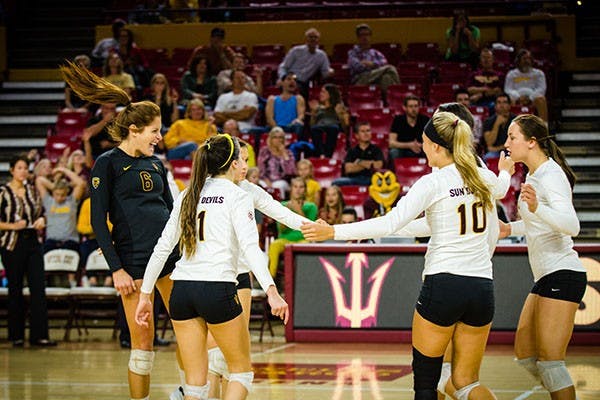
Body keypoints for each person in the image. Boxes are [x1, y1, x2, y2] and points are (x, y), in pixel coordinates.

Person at [302, 111, 514, 400]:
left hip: (444, 284)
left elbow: (391, 222)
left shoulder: (433, 182)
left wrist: (333, 232)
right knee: (465, 383)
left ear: (437, 146)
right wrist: (505, 171)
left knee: (427, 383)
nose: (422, 147)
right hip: (482, 289)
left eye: (424, 142)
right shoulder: (482, 175)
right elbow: (501, 189)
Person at [60, 60, 184, 400]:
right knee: (142, 344)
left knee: (189, 332)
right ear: (135, 130)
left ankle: (193, 393)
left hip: (170, 260)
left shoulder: (156, 164)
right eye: (155, 130)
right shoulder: (107, 163)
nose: (160, 137)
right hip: (132, 263)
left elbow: (172, 213)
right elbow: (99, 220)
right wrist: (116, 268)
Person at [134, 134, 289, 400]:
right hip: (217, 288)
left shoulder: (187, 194)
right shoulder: (237, 196)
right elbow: (251, 249)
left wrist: (145, 295)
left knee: (195, 384)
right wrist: (272, 290)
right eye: (241, 157)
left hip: (181, 291)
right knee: (241, 373)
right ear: (232, 163)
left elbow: (162, 249)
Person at [500, 114, 586, 400]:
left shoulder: (552, 175)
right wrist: (508, 228)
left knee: (551, 363)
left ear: (532, 142)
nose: (507, 143)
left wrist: (537, 208)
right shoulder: (534, 176)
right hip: (546, 275)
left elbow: (571, 225)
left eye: (512, 137)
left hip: (562, 271)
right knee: (525, 355)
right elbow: (537, 222)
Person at [0, 155, 56, 347]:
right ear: (12, 170)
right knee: (15, 288)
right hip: (12, 244)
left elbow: (41, 214)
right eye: (20, 168)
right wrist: (12, 226)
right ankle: (16, 335)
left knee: (38, 288)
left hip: (33, 242)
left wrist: (42, 220)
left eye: (26, 168)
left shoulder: (32, 191)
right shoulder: (3, 193)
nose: (23, 171)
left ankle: (39, 335)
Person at [37, 167, 87, 287]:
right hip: (52, 241)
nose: (60, 197)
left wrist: (63, 170)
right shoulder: (48, 201)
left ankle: (73, 284)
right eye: (57, 194)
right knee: (39, 258)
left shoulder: (71, 201)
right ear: (53, 193)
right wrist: (56, 185)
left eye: (62, 195)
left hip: (70, 241)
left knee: (74, 257)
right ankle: (43, 285)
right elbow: (39, 180)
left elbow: (80, 183)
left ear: (67, 193)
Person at [268, 176, 318, 277]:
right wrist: (286, 212)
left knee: (306, 245)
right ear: (291, 189)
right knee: (274, 245)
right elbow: (281, 230)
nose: (298, 190)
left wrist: (298, 210)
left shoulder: (311, 206)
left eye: (301, 187)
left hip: (302, 239)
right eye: (295, 187)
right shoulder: (282, 205)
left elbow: (310, 227)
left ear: (305, 190)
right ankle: (269, 281)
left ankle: (303, 278)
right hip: (285, 239)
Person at [347, 23, 400, 102]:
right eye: (362, 35)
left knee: (386, 78)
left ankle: (389, 104)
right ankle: (399, 95)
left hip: (376, 79)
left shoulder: (375, 53)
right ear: (358, 37)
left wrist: (372, 64)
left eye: (367, 34)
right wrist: (377, 66)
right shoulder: (353, 53)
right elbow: (357, 67)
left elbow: (384, 62)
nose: (365, 37)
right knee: (390, 68)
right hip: (361, 80)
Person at [278, 27, 333, 100]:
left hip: (304, 82)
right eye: (310, 37)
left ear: (318, 40)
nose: (313, 39)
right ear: (306, 39)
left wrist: (330, 72)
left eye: (315, 37)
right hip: (291, 78)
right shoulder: (296, 50)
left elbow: (325, 73)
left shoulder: (322, 55)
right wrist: (283, 78)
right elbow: (283, 67)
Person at [333, 122, 384, 187]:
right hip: (353, 179)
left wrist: (359, 162)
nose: (366, 134)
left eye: (368, 131)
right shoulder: (352, 151)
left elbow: (378, 166)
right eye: (363, 131)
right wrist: (369, 164)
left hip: (371, 179)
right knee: (336, 182)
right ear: (357, 135)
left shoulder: (376, 149)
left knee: (382, 183)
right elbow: (348, 169)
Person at [504, 49, 548, 122]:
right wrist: (518, 97)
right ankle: (510, 127)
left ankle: (544, 128)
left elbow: (541, 89)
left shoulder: (539, 73)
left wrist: (530, 98)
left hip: (533, 99)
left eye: (529, 58)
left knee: (541, 99)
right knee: (509, 100)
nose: (527, 61)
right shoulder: (511, 74)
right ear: (518, 60)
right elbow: (508, 89)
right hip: (516, 98)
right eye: (524, 58)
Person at [309, 83, 350, 158]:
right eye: (321, 92)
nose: (321, 94)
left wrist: (339, 115)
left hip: (333, 127)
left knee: (333, 129)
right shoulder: (318, 108)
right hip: (319, 127)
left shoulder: (339, 107)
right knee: (314, 129)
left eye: (323, 92)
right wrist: (314, 113)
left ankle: (328, 155)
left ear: (330, 94)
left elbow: (346, 127)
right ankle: (321, 154)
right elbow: (312, 124)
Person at [257, 127, 296, 198]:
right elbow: (261, 169)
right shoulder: (264, 151)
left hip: (282, 181)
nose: (278, 140)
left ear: (283, 139)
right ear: (270, 139)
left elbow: (291, 172)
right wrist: (266, 180)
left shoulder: (289, 153)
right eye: (275, 137)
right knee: (259, 184)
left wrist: (284, 154)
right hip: (265, 180)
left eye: (280, 137)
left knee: (278, 185)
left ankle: (280, 206)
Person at [388, 95, 430, 160]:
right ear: (404, 108)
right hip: (403, 149)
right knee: (394, 152)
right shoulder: (398, 120)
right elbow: (391, 143)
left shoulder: (425, 120)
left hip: (421, 148)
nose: (413, 109)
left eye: (416, 106)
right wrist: (409, 145)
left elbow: (432, 141)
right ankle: (397, 170)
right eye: (410, 106)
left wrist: (420, 145)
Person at [265, 72, 305, 137]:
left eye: (294, 80)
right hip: (275, 127)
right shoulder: (272, 99)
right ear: (282, 83)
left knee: (299, 125)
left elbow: (301, 115)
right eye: (289, 79)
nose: (292, 81)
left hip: (291, 127)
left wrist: (297, 121)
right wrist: (278, 129)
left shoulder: (299, 98)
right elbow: (269, 118)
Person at [482, 93, 516, 160]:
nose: (502, 105)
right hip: (495, 153)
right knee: (488, 157)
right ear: (495, 106)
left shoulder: (516, 121)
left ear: (509, 105)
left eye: (505, 102)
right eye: (499, 102)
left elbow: (517, 142)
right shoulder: (488, 121)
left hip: (512, 151)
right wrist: (496, 124)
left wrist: (498, 148)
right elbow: (489, 143)